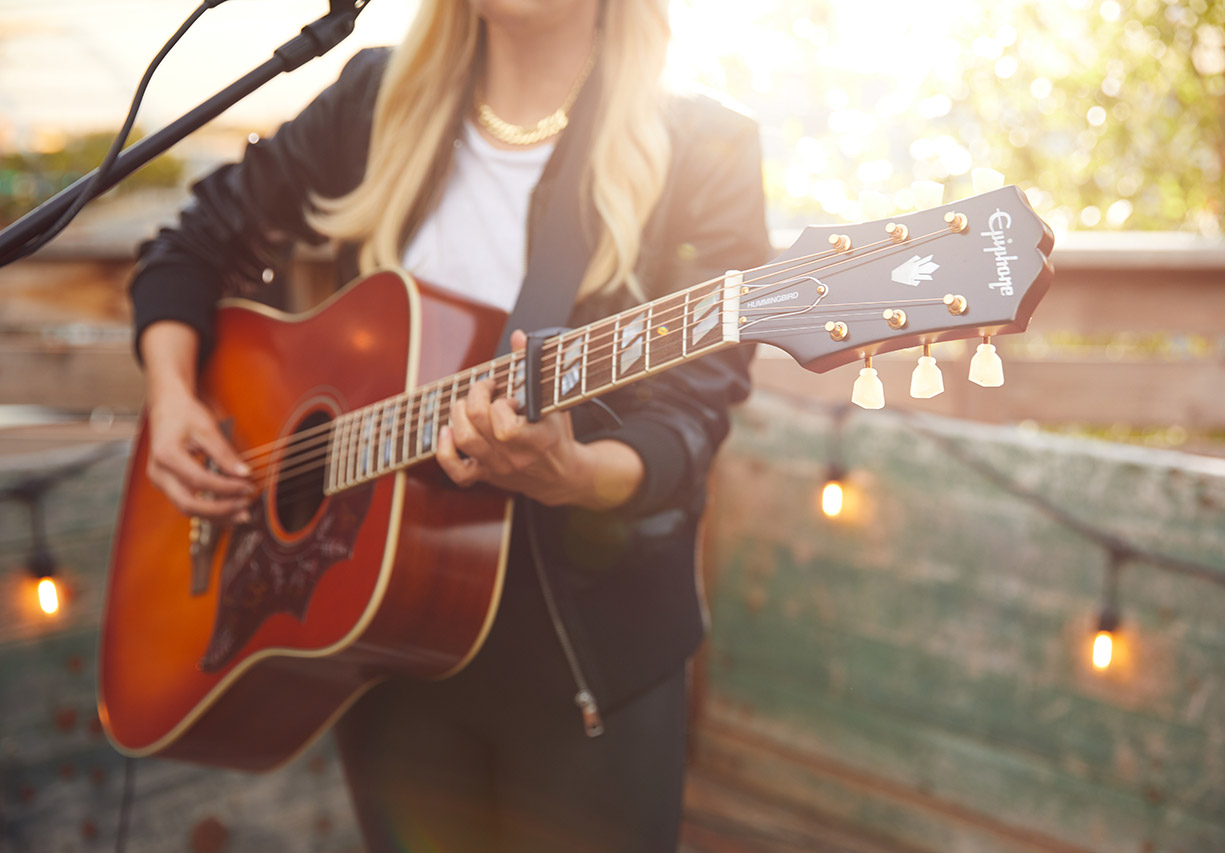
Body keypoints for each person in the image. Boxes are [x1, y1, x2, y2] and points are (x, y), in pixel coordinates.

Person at [129, 0, 770, 849]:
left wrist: (576, 473)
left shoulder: (701, 144)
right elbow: (194, 240)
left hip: (586, 666)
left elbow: (695, 408)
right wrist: (174, 393)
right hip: (385, 652)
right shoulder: (374, 97)